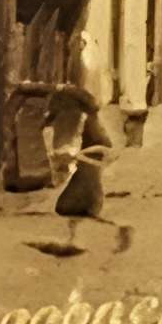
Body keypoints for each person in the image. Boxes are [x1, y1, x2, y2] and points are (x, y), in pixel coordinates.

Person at [49, 82, 133, 255]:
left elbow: (104, 147)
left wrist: (80, 155)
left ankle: (120, 227)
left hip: (87, 174)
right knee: (78, 209)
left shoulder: (80, 118)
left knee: (73, 207)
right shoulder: (91, 117)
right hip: (87, 172)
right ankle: (74, 240)